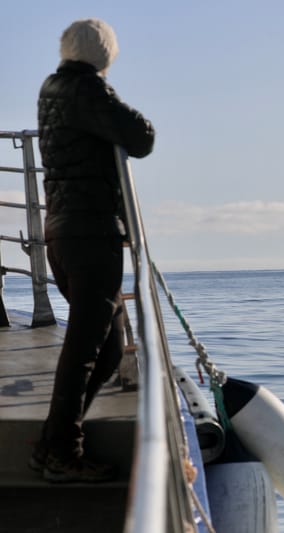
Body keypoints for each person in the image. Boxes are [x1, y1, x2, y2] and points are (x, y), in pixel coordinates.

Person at [31, 18, 155, 483]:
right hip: (90, 233)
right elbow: (141, 137)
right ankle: (62, 455)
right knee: (86, 348)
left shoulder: (52, 87)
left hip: (63, 231)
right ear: (105, 54)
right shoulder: (87, 90)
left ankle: (53, 444)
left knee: (105, 351)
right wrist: (106, 87)